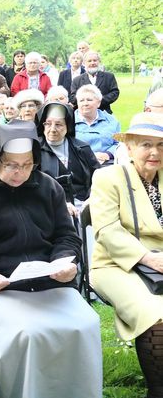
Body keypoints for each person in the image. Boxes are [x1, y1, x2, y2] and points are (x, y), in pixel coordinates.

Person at [0, 120, 102, 398]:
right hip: (0, 286)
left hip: (49, 282)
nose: (19, 172)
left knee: (84, 324)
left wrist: (66, 263)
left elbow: (67, 237)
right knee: (27, 333)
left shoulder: (48, 187)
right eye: (10, 165)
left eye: (27, 164)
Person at [89, 112, 163, 398]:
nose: (154, 152)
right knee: (156, 314)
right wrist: (150, 258)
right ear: (129, 147)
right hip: (115, 264)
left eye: (160, 145)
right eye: (145, 144)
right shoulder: (108, 177)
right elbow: (107, 231)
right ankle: (157, 389)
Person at [36, 102, 100, 209]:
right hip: (49, 206)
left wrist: (91, 200)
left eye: (58, 124)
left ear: (68, 126)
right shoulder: (35, 150)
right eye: (48, 123)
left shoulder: (81, 148)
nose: (52, 129)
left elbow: (99, 177)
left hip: (84, 204)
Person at [74, 84, 120, 165]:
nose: (85, 103)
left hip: (107, 164)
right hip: (78, 164)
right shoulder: (69, 121)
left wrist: (108, 154)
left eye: (89, 100)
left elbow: (119, 144)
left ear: (98, 103)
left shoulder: (111, 121)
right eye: (81, 100)